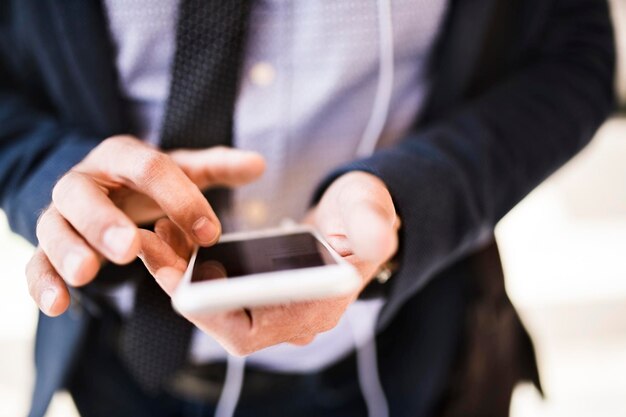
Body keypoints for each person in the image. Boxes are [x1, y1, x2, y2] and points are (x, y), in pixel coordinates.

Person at [0, 0, 615, 416]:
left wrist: (411, 195)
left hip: (415, 357)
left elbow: (573, 57)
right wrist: (56, 180)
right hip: (123, 370)